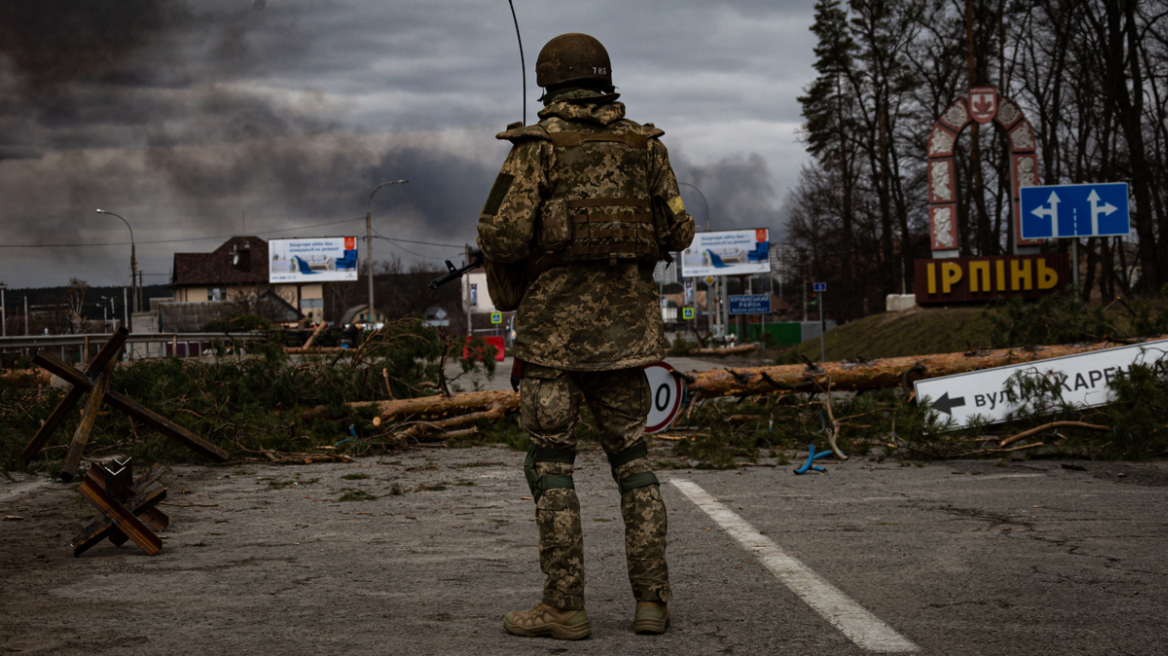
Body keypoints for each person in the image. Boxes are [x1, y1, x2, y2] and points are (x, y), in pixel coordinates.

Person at [476, 32, 695, 640]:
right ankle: (652, 601)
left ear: (550, 83)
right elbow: (678, 230)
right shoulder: (646, 148)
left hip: (551, 342)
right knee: (634, 464)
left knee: (551, 467)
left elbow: (500, 236)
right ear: (604, 80)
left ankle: (564, 606)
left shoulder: (536, 149)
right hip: (628, 339)